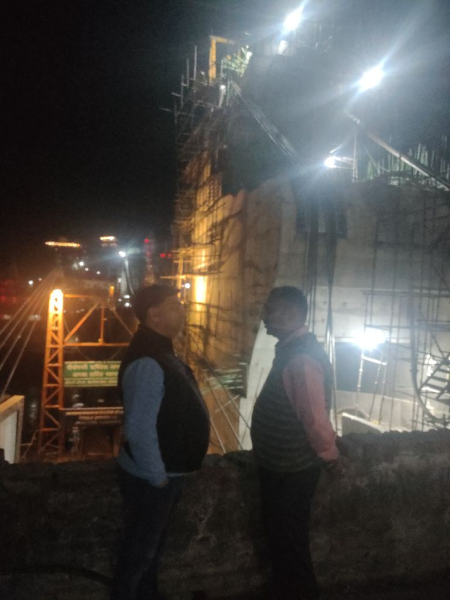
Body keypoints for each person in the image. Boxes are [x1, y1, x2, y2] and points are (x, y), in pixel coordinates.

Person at [111, 284, 210, 600]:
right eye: (175, 306)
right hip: (150, 478)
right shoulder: (149, 361)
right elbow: (140, 428)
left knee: (148, 551)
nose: (182, 311)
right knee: (139, 553)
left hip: (160, 473)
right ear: (154, 314)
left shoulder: (159, 353)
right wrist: (158, 478)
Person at [251, 286, 340, 600]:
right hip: (280, 466)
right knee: (280, 537)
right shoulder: (292, 351)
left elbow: (314, 418)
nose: (264, 316)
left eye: (270, 309)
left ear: (289, 313)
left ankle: (300, 593)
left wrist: (330, 456)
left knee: (290, 541)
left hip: (292, 470)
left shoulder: (301, 359)